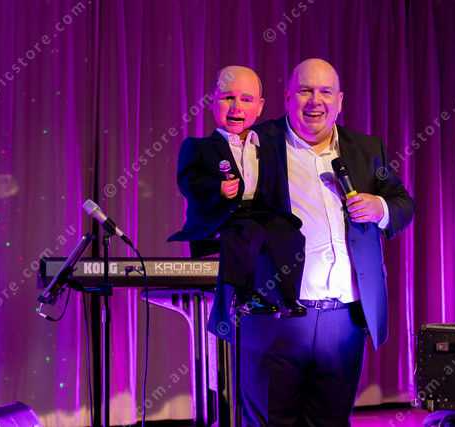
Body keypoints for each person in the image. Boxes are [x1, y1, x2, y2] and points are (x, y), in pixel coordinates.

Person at [209, 58, 416, 426]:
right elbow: (213, 200)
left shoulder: (366, 149)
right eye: (305, 91)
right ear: (287, 97)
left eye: (325, 92)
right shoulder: (255, 143)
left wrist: (379, 206)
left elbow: (403, 204)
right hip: (274, 318)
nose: (315, 101)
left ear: (340, 100)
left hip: (345, 320)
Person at [168, 65, 306, 317]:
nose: (236, 107)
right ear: (212, 101)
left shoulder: (267, 150)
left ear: (260, 107)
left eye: (246, 99)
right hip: (225, 216)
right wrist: (218, 189)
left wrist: (284, 218)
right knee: (245, 231)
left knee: (289, 232)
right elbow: (189, 181)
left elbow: (278, 190)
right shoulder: (198, 147)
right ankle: (243, 296)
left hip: (261, 213)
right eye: (228, 97)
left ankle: (288, 295)